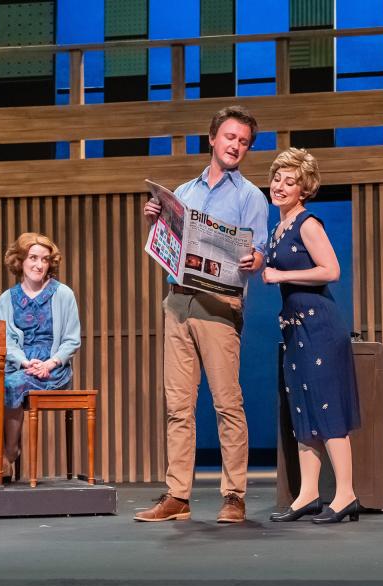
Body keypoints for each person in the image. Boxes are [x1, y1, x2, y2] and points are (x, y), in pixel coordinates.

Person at [136, 105, 268, 523]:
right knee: (178, 405)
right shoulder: (184, 192)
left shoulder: (250, 196)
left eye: (244, 142)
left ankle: (234, 495)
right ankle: (177, 495)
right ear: (212, 138)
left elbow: (259, 250)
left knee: (227, 403)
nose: (236, 146)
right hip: (178, 302)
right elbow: (169, 243)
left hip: (219, 305)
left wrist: (255, 260)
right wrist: (155, 218)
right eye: (230, 137)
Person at [262, 148, 361, 524]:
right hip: (295, 327)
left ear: (304, 189)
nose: (281, 186)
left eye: (290, 182)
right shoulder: (278, 228)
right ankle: (308, 494)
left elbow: (331, 270)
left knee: (326, 408)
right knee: (302, 409)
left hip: (319, 326)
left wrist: (281, 276)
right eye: (277, 179)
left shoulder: (307, 223)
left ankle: (346, 494)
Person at [0, 232, 81, 484]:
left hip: (52, 370)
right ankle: (1, 459)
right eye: (33, 258)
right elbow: (6, 340)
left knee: (10, 386)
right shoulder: (7, 299)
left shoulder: (63, 294)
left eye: (44, 259)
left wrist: (50, 363)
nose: (39, 264)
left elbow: (72, 339)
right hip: (19, 365)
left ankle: (8, 455)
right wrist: (23, 361)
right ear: (20, 261)